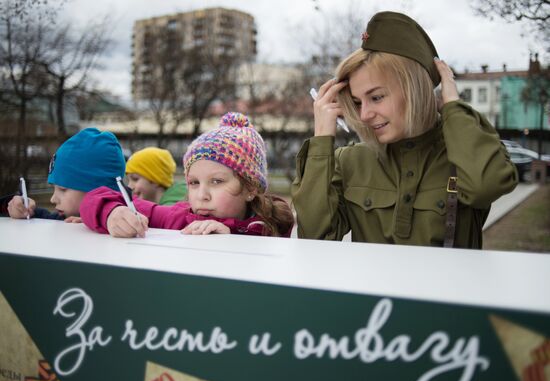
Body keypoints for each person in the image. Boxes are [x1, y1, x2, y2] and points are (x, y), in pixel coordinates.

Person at [291, 11, 518, 248]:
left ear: (414, 89)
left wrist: (452, 104)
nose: (364, 114)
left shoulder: (464, 157)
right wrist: (322, 140)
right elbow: (314, 239)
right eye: (358, 102)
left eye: (376, 97)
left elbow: (486, 186)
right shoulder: (352, 161)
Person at [80, 112, 294, 238]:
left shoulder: (272, 227)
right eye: (193, 182)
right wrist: (112, 214)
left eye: (216, 181)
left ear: (251, 188)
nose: (202, 195)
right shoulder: (179, 218)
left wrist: (232, 235)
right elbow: (94, 197)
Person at [6, 128, 126, 222]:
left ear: (98, 191)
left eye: (63, 189)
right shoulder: (62, 219)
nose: (52, 199)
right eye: (54, 188)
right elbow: (45, 217)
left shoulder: (129, 223)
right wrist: (23, 209)